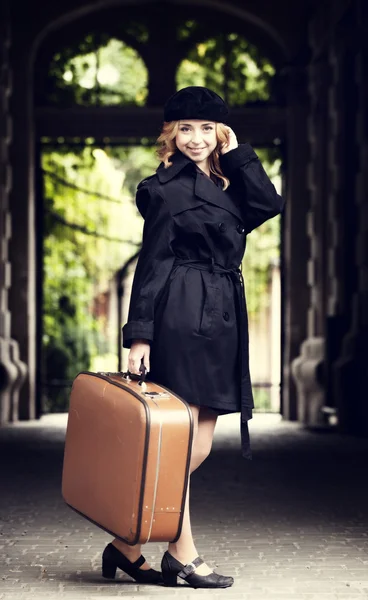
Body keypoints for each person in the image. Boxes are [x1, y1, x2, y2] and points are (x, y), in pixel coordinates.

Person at [101, 86, 285, 588]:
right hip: (181, 311)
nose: (196, 138)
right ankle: (182, 553)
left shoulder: (229, 185)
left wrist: (237, 151)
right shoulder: (162, 190)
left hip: (223, 311)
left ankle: (126, 545)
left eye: (207, 128)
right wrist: (140, 337)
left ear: (220, 133)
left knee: (195, 444)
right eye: (185, 128)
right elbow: (153, 265)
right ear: (170, 135)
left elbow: (269, 203)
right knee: (179, 443)